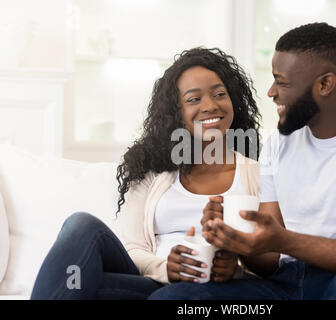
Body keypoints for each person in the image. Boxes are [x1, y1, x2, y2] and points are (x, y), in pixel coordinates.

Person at [149, 23, 336, 300]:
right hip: (286, 283)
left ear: (325, 84)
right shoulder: (279, 143)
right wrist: (237, 238)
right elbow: (269, 258)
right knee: (174, 297)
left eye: (281, 82)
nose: (271, 91)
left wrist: (286, 241)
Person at [30, 47, 268, 299]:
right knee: (80, 228)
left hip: (218, 290)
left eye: (220, 94)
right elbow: (134, 248)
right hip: (155, 284)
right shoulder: (152, 170)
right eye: (193, 99)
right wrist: (166, 269)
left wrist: (237, 266)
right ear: (176, 113)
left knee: (89, 288)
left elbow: (274, 258)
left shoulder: (257, 173)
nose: (210, 105)